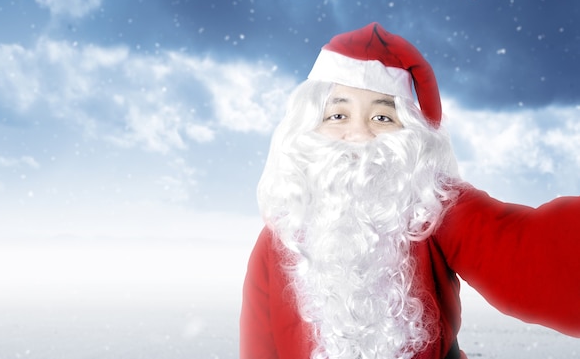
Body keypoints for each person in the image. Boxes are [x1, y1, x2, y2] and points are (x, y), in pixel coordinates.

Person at [240, 22, 580, 359]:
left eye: (382, 118)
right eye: (338, 115)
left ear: (411, 137)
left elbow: (531, 257)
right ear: (309, 128)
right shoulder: (278, 240)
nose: (359, 135)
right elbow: (260, 347)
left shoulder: (436, 207)